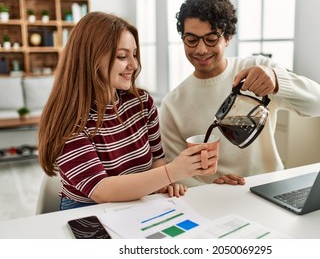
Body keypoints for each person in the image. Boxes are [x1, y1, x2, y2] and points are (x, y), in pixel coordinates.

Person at [37, 11, 218, 210]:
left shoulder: (141, 102)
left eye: (134, 54)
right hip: (87, 211)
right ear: (91, 58)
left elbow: (157, 159)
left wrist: (165, 183)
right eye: (122, 56)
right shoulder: (69, 119)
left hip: (140, 203)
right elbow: (102, 190)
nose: (134, 65)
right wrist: (171, 173)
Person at [159, 0, 320, 187]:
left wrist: (278, 81)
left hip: (269, 186)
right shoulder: (173, 104)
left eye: (211, 39)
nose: (201, 49)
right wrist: (213, 186)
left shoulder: (257, 70)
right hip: (213, 199)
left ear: (228, 38)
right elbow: (175, 171)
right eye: (191, 39)